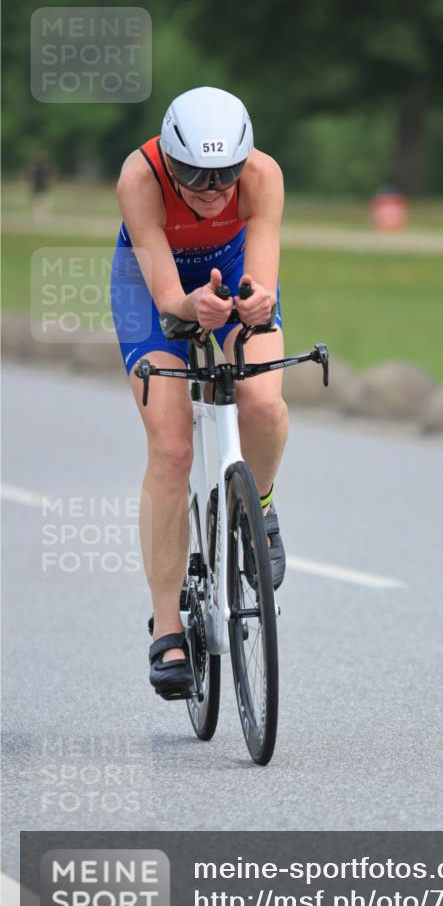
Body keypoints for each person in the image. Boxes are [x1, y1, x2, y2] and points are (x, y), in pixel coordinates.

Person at [111, 87, 288, 698]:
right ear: (169, 157)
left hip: (232, 274)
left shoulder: (263, 175)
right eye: (193, 177)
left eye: (224, 178)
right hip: (154, 286)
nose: (212, 192)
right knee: (171, 447)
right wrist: (191, 307)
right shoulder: (139, 176)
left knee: (263, 401)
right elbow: (168, 299)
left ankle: (259, 505)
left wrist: (257, 299)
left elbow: (262, 281)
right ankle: (167, 628)